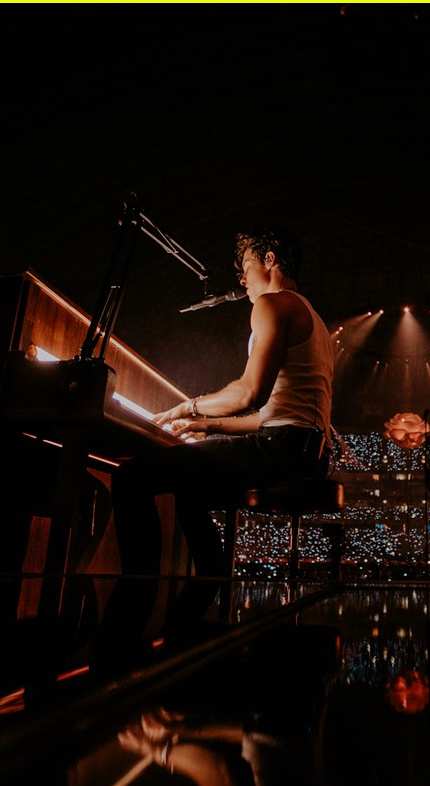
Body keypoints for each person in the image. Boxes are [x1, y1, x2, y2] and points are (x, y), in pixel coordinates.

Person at [91, 226, 333, 674]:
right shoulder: (312, 317)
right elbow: (265, 415)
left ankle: (133, 607)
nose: (241, 279)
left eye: (245, 266)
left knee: (131, 478)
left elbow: (249, 394)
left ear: (271, 259)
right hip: (301, 448)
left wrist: (190, 404)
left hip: (282, 448)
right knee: (193, 489)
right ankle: (209, 578)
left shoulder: (271, 305)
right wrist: (204, 426)